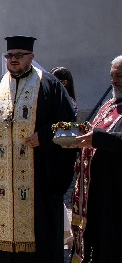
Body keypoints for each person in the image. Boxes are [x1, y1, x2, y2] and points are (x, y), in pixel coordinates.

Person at [0, 36, 76, 263]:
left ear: (31, 57)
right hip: (1, 174)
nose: (13, 60)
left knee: (40, 222)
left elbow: (69, 126)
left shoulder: (50, 85)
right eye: (9, 56)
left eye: (19, 55)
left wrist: (45, 136)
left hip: (37, 174)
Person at [67, 55, 122, 263]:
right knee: (93, 239)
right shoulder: (110, 104)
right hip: (95, 190)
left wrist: (97, 138)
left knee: (110, 244)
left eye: (119, 75)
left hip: (115, 191)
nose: (114, 80)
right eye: (112, 75)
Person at [51, 66, 77, 245]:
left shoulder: (68, 101)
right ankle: (65, 230)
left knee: (55, 191)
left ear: (64, 82)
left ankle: (66, 231)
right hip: (53, 147)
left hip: (60, 149)